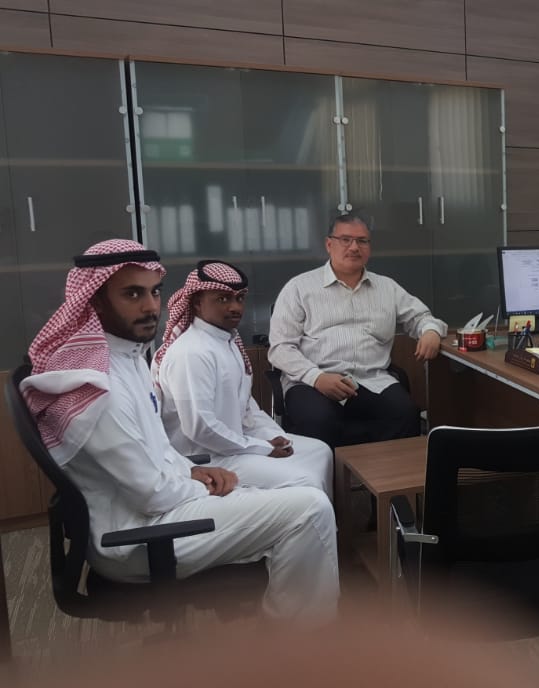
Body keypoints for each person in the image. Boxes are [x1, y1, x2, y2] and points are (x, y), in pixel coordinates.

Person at [19, 239, 339, 623]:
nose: (150, 306)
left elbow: (156, 448)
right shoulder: (100, 388)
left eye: (154, 292)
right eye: (132, 294)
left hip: (158, 508)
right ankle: (302, 643)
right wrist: (208, 485)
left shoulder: (125, 358)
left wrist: (193, 471)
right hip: (138, 537)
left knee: (303, 495)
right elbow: (152, 493)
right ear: (96, 301)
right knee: (309, 509)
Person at [153, 260, 333, 498]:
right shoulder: (191, 352)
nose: (235, 307)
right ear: (197, 303)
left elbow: (246, 406)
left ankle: (330, 518)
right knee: (306, 480)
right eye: (223, 299)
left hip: (235, 446)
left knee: (320, 451)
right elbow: (201, 429)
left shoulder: (227, 342)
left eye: (239, 298)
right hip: (208, 459)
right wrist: (262, 448)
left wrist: (271, 436)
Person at [269, 213, 447, 448]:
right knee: (319, 420)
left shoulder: (387, 287)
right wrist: (316, 377)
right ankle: (329, 474)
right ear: (329, 244)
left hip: (372, 379)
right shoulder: (299, 288)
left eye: (362, 241)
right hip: (312, 382)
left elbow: (422, 318)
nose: (354, 247)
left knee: (405, 413)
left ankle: (386, 473)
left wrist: (431, 331)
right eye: (345, 239)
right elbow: (281, 348)